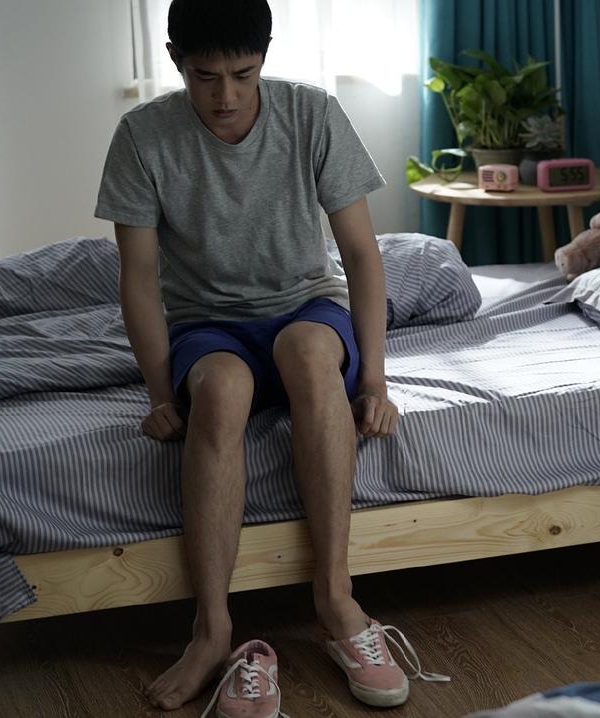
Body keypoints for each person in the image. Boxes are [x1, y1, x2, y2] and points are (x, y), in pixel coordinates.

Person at [94, 1, 447, 715]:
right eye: (205, 76)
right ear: (175, 59)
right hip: (207, 324)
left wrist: (375, 379)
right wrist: (160, 395)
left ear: (265, 57)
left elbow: (360, 255)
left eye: (243, 74)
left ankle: (338, 602)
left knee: (309, 355)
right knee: (221, 391)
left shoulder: (311, 114)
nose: (225, 95)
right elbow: (139, 279)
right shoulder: (142, 136)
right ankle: (211, 629)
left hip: (307, 306)